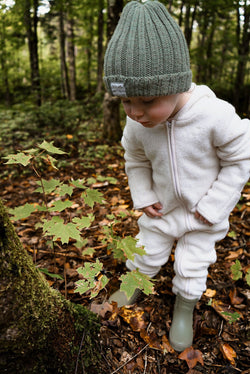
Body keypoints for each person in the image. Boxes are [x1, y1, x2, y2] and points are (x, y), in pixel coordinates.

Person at [103, 0, 250, 352]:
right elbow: (135, 159)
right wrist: (143, 194)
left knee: (192, 264)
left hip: (203, 214)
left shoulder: (214, 115)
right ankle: (135, 283)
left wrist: (214, 206)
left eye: (147, 101)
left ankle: (184, 307)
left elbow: (240, 159)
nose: (135, 113)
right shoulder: (138, 124)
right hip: (162, 210)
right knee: (146, 249)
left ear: (177, 84)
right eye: (125, 102)